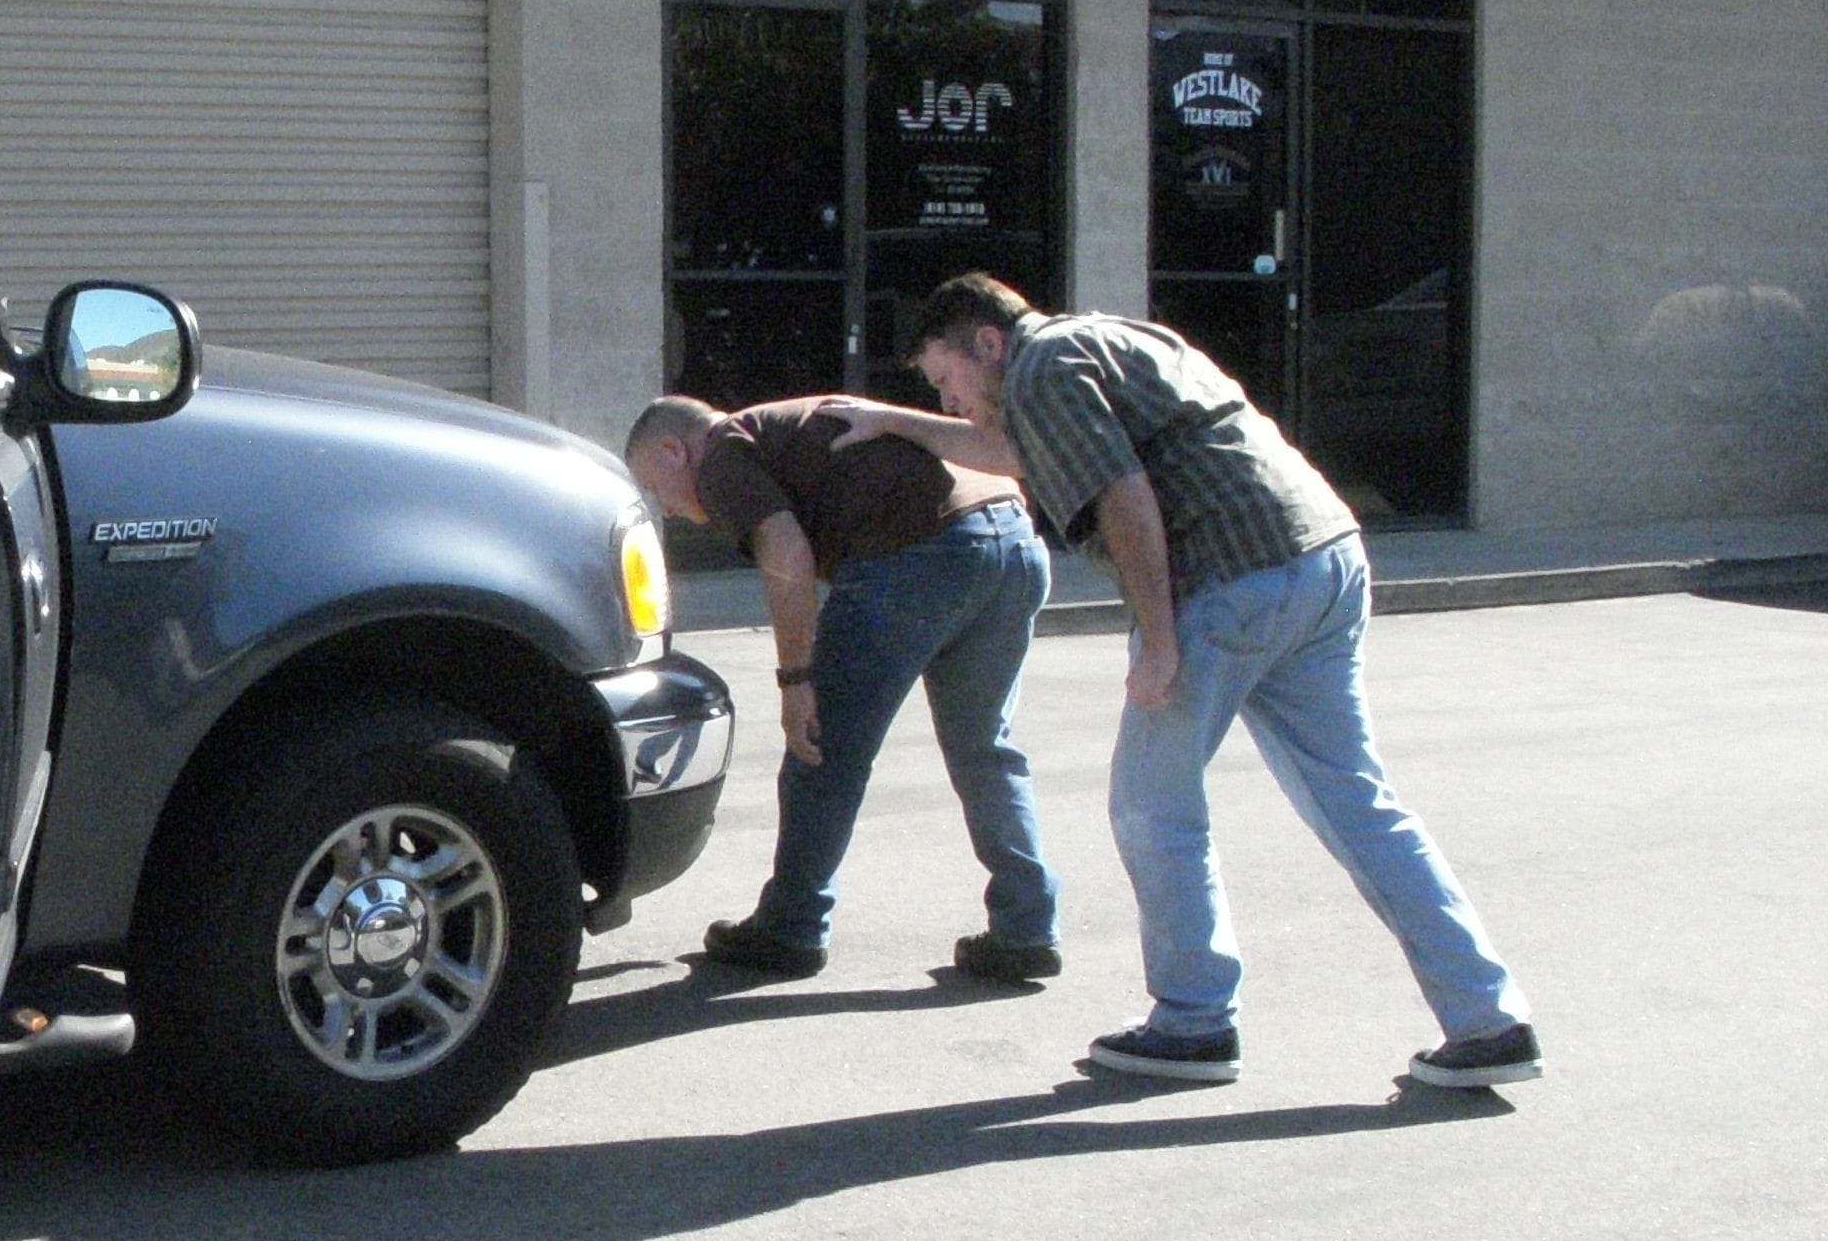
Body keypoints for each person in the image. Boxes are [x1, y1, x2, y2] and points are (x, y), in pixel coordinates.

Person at [828, 272, 1539, 1090]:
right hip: (1322, 559)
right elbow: (1026, 455)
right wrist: (894, 423)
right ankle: (1490, 1019)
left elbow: (1124, 496)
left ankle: (1194, 1023)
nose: (951, 403)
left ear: (986, 344)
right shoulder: (1106, 340)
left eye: (946, 379)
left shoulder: (1041, 369)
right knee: (1357, 802)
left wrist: (1157, 641)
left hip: (1231, 583)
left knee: (1151, 805)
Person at [626, 392, 1058, 985]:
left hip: (918, 554)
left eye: (656, 488)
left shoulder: (723, 453)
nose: (665, 511)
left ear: (677, 449)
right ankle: (1026, 929)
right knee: (985, 748)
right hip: (1013, 540)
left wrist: (795, 681)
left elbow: (787, 554)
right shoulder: (780, 431)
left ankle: (791, 925)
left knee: (821, 750)